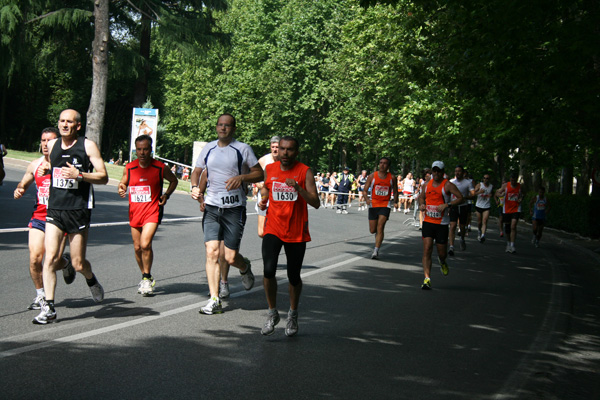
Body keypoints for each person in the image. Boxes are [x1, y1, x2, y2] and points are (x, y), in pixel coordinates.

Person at [33, 109, 109, 324]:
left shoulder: (87, 145)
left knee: (77, 263)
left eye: (70, 122)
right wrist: (47, 168)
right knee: (49, 258)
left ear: (78, 126)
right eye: (62, 121)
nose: (65, 125)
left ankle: (90, 279)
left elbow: (103, 176)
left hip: (78, 210)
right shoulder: (54, 145)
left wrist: (80, 175)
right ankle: (49, 307)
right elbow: (53, 165)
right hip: (55, 209)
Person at [190, 113, 263, 314]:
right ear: (216, 127)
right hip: (213, 207)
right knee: (212, 251)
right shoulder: (209, 148)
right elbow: (197, 171)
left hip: (234, 209)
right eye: (220, 125)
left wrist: (242, 177)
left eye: (227, 126)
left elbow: (259, 173)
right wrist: (196, 188)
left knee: (229, 257)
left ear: (233, 129)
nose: (223, 128)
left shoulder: (243, 149)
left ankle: (244, 266)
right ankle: (214, 299)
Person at [258, 136, 320, 336]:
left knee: (293, 275)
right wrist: (264, 199)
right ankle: (272, 312)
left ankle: (292, 314)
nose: (285, 153)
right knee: (268, 271)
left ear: (297, 152)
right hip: (273, 228)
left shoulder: (305, 171)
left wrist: (298, 188)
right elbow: (267, 187)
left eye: (290, 150)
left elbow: (316, 202)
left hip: (296, 231)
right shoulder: (270, 169)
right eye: (282, 149)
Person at [13, 127, 76, 310]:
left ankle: (65, 263)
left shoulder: (66, 163)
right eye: (43, 141)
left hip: (59, 218)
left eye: (50, 140)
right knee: (35, 259)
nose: (46, 144)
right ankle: (40, 295)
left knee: (52, 261)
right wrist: (20, 189)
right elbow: (23, 182)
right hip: (39, 218)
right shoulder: (35, 165)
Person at [118, 135, 178, 296]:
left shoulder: (160, 167)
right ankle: (147, 276)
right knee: (137, 247)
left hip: (153, 211)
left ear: (151, 149)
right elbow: (123, 182)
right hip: (135, 212)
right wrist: (122, 187)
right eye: (139, 149)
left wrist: (166, 195)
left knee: (145, 244)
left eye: (145, 149)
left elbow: (174, 181)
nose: (142, 152)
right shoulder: (130, 167)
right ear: (135, 150)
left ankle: (145, 277)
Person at [418, 161, 463, 290]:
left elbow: (461, 198)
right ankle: (427, 279)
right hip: (428, 222)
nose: (436, 173)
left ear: (443, 172)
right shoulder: (426, 185)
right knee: (427, 249)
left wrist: (447, 205)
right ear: (431, 171)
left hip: (442, 223)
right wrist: (422, 204)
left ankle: (442, 261)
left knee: (441, 253)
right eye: (434, 171)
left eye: (439, 171)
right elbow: (421, 197)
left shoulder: (448, 185)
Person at [362, 157, 399, 259]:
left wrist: (395, 201)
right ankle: (377, 240)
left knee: (380, 226)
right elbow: (365, 190)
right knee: (373, 230)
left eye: (385, 163)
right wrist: (367, 200)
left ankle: (376, 250)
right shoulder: (372, 176)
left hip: (385, 205)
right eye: (381, 163)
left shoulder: (392, 177)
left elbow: (395, 191)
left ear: (388, 166)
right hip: (373, 204)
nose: (382, 165)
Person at [255, 136, 280, 237]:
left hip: (278, 197)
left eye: (277, 147)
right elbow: (255, 175)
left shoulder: (284, 160)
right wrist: (259, 185)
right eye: (273, 147)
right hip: (264, 196)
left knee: (274, 229)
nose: (275, 149)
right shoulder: (263, 160)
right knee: (261, 232)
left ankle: (272, 248)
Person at [448, 165, 474, 256]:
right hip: (453, 206)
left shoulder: (468, 183)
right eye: (456, 171)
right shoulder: (451, 182)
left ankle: (462, 239)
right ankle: (451, 246)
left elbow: (473, 194)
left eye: (459, 171)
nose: (457, 173)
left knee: (462, 227)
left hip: (463, 206)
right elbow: (447, 194)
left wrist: (464, 197)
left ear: (463, 173)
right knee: (452, 225)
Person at [496, 172, 523, 253]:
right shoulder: (506, 185)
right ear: (510, 179)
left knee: (513, 226)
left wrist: (521, 198)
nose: (513, 182)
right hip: (506, 209)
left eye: (514, 180)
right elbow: (497, 192)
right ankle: (508, 243)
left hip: (516, 208)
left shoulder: (520, 186)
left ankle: (512, 245)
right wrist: (501, 194)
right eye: (511, 180)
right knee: (507, 228)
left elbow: (522, 195)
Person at [473, 174, 493, 243]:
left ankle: (483, 235)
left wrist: (491, 195)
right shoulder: (479, 185)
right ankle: (479, 232)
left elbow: (492, 194)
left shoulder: (491, 186)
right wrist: (479, 192)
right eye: (484, 178)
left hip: (486, 206)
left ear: (489, 179)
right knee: (479, 222)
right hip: (479, 205)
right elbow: (473, 193)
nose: (485, 179)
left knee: (484, 221)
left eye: (487, 178)